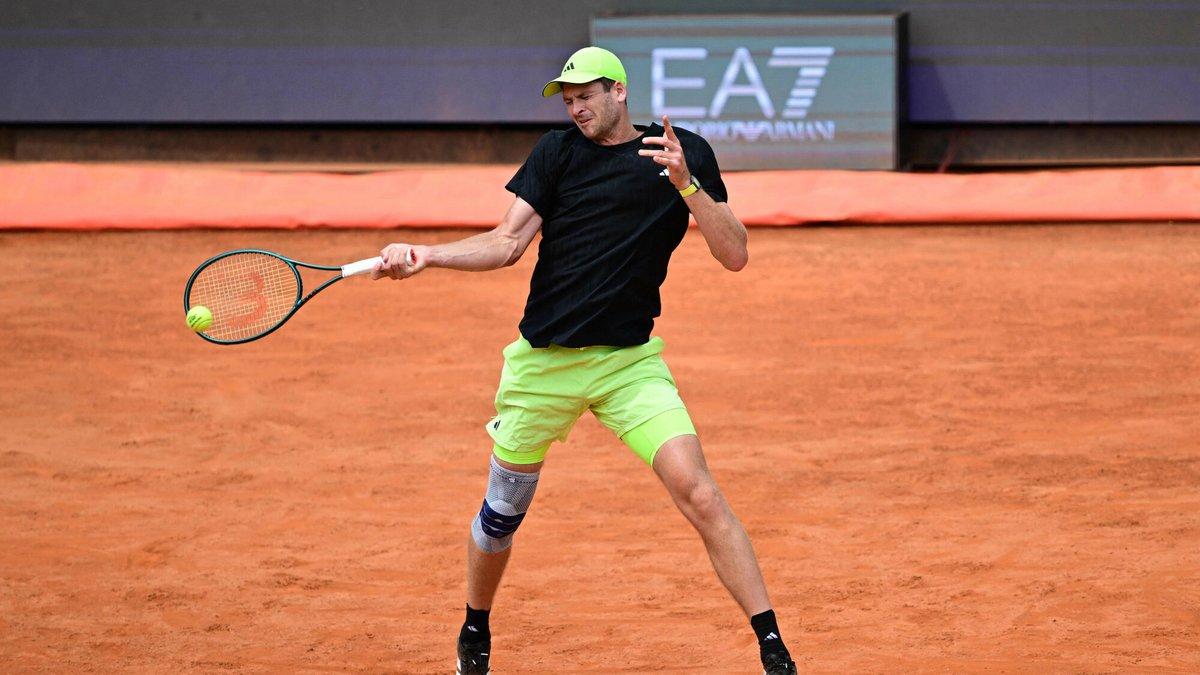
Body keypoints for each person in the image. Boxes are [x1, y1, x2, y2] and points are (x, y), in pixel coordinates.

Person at [373, 46, 796, 675]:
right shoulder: (557, 154)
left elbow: (734, 253)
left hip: (629, 364)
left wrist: (687, 183)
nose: (575, 108)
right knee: (499, 521)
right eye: (567, 100)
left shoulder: (682, 152)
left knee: (701, 494)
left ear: (619, 92)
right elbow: (507, 242)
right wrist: (428, 256)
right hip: (543, 367)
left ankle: (772, 648)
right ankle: (475, 624)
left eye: (585, 96)